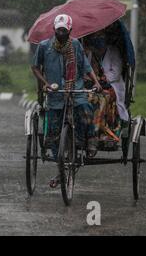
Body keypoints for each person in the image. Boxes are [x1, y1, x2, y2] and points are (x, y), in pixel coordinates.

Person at [31, 14, 102, 188]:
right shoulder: (44, 47)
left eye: (64, 30)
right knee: (54, 132)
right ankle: (60, 164)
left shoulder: (76, 45)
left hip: (75, 89)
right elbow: (35, 67)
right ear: (54, 29)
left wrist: (96, 81)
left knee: (85, 108)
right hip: (55, 93)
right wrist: (45, 84)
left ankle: (88, 139)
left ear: (70, 30)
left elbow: (85, 65)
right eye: (59, 30)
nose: (61, 33)